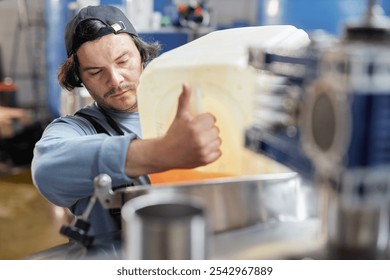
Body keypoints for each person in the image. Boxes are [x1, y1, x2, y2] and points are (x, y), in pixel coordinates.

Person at [31, 5, 222, 240]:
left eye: (122, 61)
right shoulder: (79, 129)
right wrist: (160, 152)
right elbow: (46, 169)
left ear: (142, 55)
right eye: (95, 72)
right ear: (80, 79)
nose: (115, 79)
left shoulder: (188, 110)